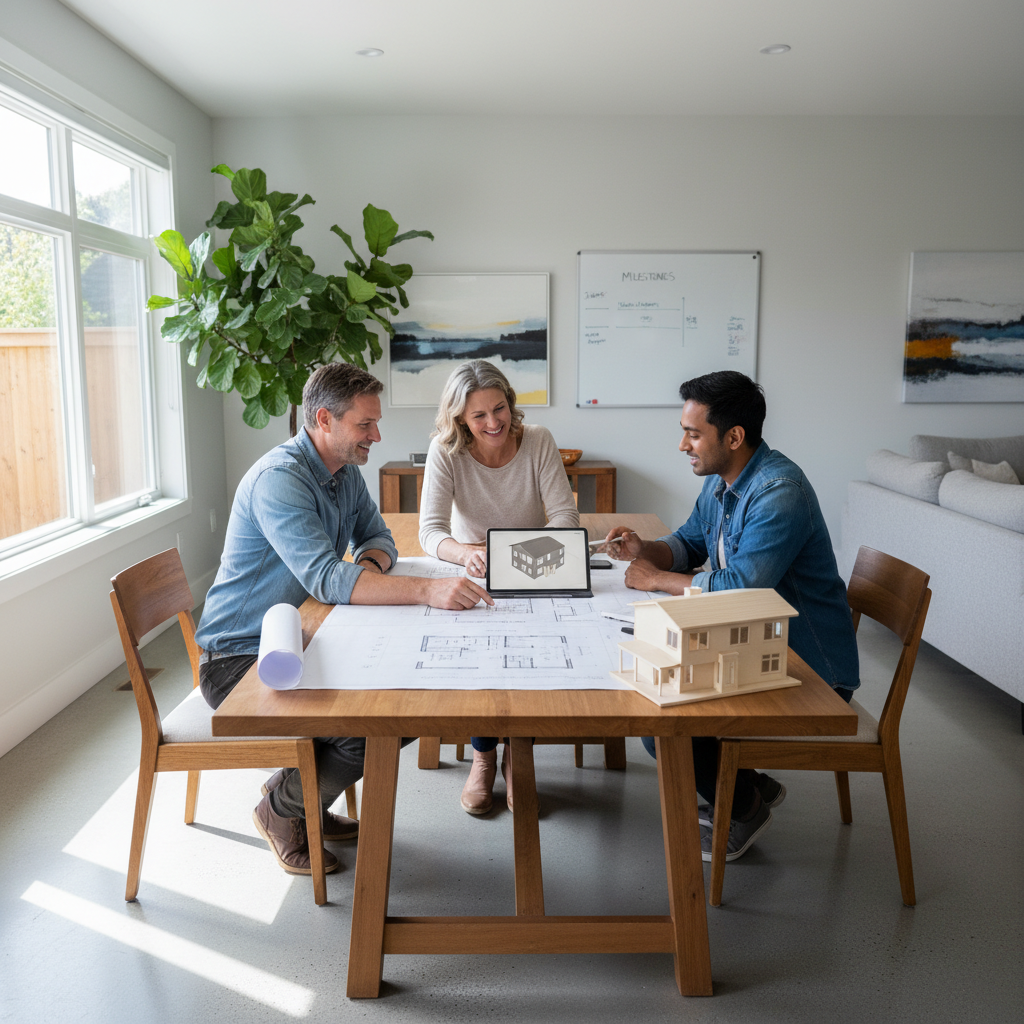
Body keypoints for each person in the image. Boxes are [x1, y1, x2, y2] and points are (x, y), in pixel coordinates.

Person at [195, 362, 492, 875]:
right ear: (324, 420)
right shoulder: (279, 480)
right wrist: (426, 591)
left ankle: (305, 793)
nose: (377, 435)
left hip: (311, 633)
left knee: (405, 710)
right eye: (365, 425)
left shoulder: (345, 472)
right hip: (241, 657)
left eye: (375, 424)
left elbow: (377, 541)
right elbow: (328, 581)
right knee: (367, 729)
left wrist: (366, 572)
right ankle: (283, 808)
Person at [603, 370, 859, 862]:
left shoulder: (778, 492)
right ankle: (749, 781)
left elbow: (740, 587)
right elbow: (690, 542)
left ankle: (744, 806)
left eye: (693, 433)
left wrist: (656, 580)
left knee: (661, 723)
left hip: (807, 668)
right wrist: (648, 551)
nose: (683, 445)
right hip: (757, 644)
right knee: (653, 691)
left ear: (734, 437)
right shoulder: (724, 481)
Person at [419, 359, 579, 814]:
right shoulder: (445, 451)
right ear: (459, 420)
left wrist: (520, 554)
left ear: (510, 402)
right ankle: (483, 758)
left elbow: (566, 519)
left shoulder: (539, 441)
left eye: (499, 408)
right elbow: (430, 532)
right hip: (478, 572)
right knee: (481, 661)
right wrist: (466, 553)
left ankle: (516, 755)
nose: (494, 423)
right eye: (479, 415)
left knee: (530, 660)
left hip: (537, 570)